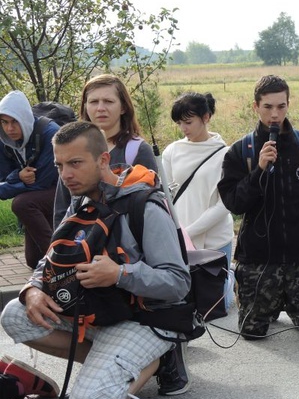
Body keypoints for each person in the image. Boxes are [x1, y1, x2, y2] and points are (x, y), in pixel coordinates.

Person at [0, 121, 190, 399]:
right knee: (15, 313)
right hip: (98, 312)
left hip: (145, 317)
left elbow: (179, 284)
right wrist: (33, 288)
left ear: (103, 159)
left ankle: (158, 358)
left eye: (75, 163)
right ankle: (111, 361)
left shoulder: (145, 206)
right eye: (60, 165)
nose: (66, 175)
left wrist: (119, 274)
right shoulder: (79, 200)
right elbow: (52, 257)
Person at [218, 75, 299, 339]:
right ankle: (264, 303)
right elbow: (234, 203)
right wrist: (259, 169)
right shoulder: (241, 151)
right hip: (259, 258)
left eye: (281, 106)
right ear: (255, 107)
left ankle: (291, 301)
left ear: (288, 104)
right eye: (268, 107)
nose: (275, 114)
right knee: (253, 332)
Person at [53, 74, 159, 228]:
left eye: (108, 101)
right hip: (79, 241)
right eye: (93, 102)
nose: (100, 108)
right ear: (85, 106)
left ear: (123, 107)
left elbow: (151, 209)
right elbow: (62, 207)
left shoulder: (138, 150)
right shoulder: (72, 147)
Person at [162, 92, 233, 268]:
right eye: (179, 123)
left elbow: (225, 204)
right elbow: (165, 195)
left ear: (206, 117)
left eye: (188, 122)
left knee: (217, 293)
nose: (184, 128)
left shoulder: (227, 154)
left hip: (216, 241)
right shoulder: (172, 151)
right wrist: (179, 233)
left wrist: (189, 232)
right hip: (180, 240)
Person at [0, 90, 60, 268]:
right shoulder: (4, 140)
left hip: (64, 191)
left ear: (25, 118)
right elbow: (4, 176)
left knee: (21, 203)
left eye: (14, 122)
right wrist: (18, 176)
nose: (9, 128)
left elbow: (40, 183)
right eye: (4, 122)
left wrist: (3, 190)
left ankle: (61, 263)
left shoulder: (51, 133)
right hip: (39, 198)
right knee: (33, 261)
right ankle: (56, 254)